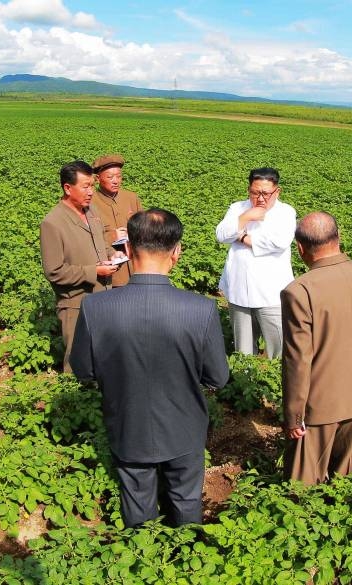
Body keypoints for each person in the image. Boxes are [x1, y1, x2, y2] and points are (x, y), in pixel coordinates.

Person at [71, 208, 230, 528]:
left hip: (128, 424)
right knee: (186, 501)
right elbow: (217, 376)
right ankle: (187, 561)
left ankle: (142, 559)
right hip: (184, 428)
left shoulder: (95, 307)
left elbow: (84, 371)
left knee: (136, 499)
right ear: (177, 252)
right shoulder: (200, 309)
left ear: (127, 250)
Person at [281, 211, 352, 485]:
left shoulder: (300, 290)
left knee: (302, 486)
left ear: (300, 248)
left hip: (318, 407)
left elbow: (298, 360)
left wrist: (294, 415)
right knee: (346, 480)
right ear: (339, 238)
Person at [40, 160, 122, 372]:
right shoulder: (53, 223)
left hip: (103, 294)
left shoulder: (91, 211)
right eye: (85, 186)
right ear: (68, 188)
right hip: (76, 302)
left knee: (102, 354)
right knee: (77, 357)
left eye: (92, 186)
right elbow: (54, 271)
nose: (91, 192)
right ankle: (73, 400)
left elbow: (101, 242)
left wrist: (114, 255)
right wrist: (93, 271)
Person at [215, 167, 296, 358]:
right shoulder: (238, 208)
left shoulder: (285, 212)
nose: (260, 198)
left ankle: (278, 383)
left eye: (266, 194)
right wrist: (246, 217)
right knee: (243, 350)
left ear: (277, 191)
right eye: (255, 192)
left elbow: (279, 241)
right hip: (239, 290)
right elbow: (221, 235)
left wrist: (242, 238)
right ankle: (245, 382)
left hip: (271, 294)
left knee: (279, 348)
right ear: (248, 189)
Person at [91, 154, 144, 286]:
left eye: (119, 176)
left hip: (136, 269)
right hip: (112, 274)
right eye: (110, 177)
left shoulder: (131, 198)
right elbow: (84, 237)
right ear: (97, 178)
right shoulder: (90, 203)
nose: (116, 181)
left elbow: (144, 227)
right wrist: (111, 236)